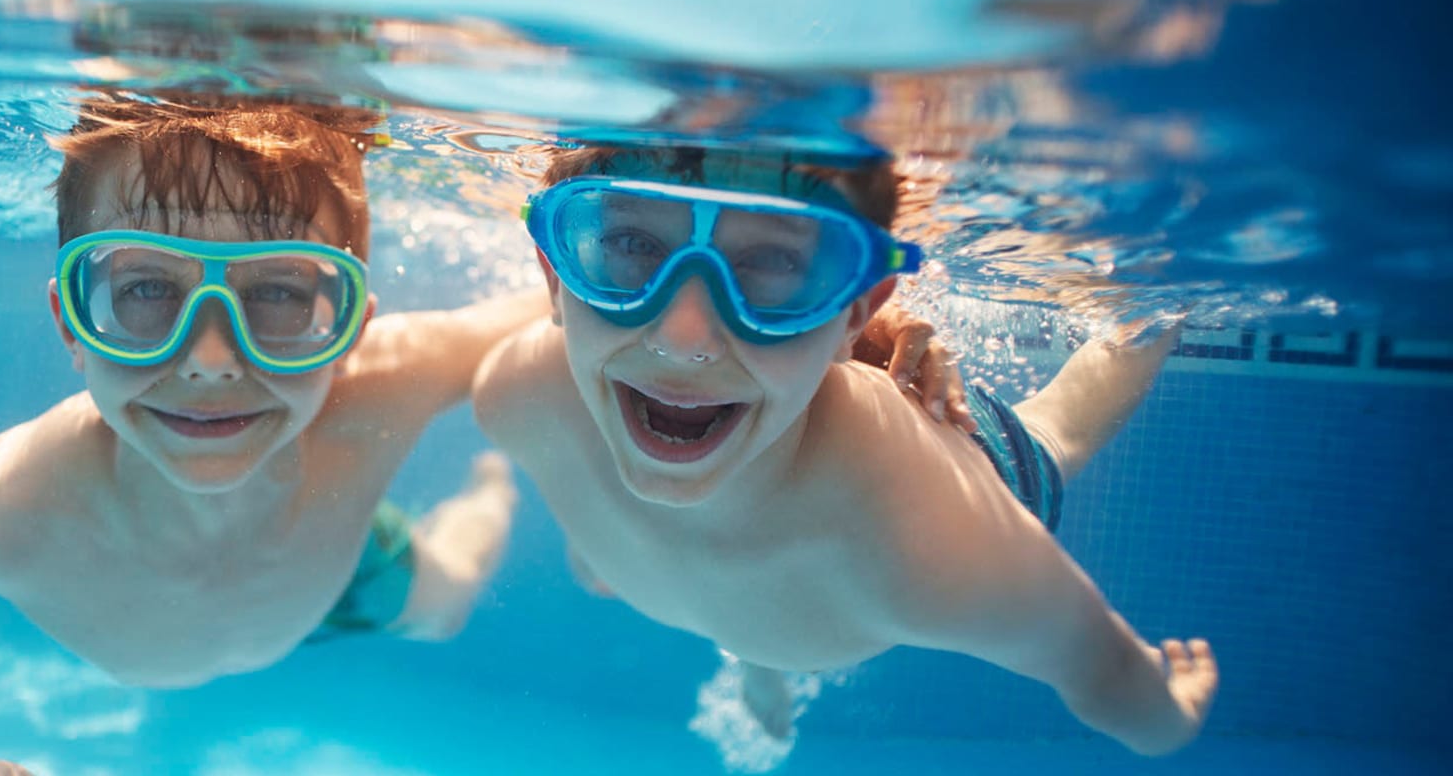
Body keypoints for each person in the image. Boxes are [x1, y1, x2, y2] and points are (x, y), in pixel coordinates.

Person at [474, 144, 1217, 757]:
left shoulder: (921, 537)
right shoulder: (520, 399)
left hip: (956, 466)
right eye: (632, 245)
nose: (682, 340)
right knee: (741, 593)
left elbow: (1104, 677)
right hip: (771, 593)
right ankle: (761, 659)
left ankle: (1157, 304)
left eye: (772, 264)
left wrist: (1166, 715)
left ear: (856, 311)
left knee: (1066, 424)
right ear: (551, 274)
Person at [0, 91, 535, 776]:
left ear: (352, 333)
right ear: (70, 324)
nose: (209, 362)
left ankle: (489, 492)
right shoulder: (13, 500)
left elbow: (561, 310)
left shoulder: (387, 379)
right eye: (145, 290)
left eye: (279, 293)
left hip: (340, 564)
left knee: (448, 604)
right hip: (295, 577)